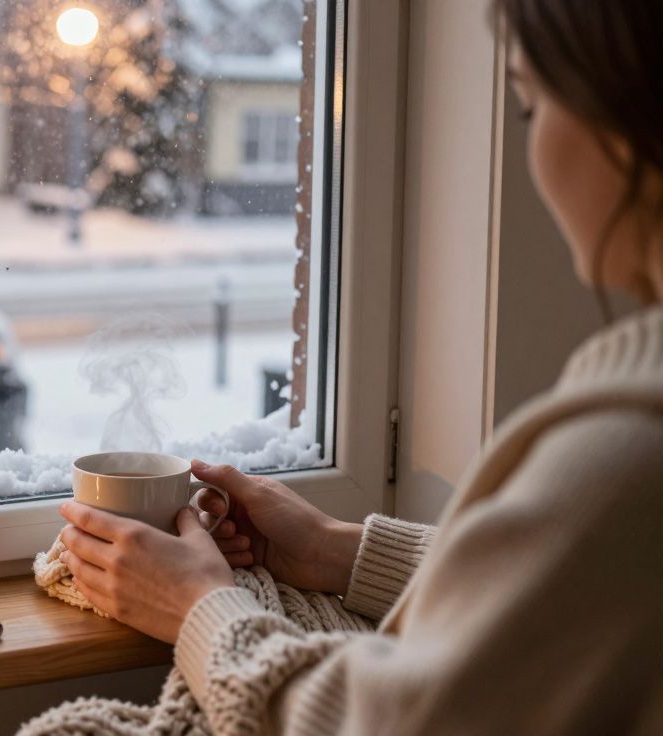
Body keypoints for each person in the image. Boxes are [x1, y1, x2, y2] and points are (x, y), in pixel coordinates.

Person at [45, 1, 663, 732]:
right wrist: (337, 550)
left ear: (625, 118)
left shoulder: (627, 452)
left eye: (529, 107)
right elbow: (569, 601)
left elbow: (388, 723)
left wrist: (197, 609)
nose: (534, 159)